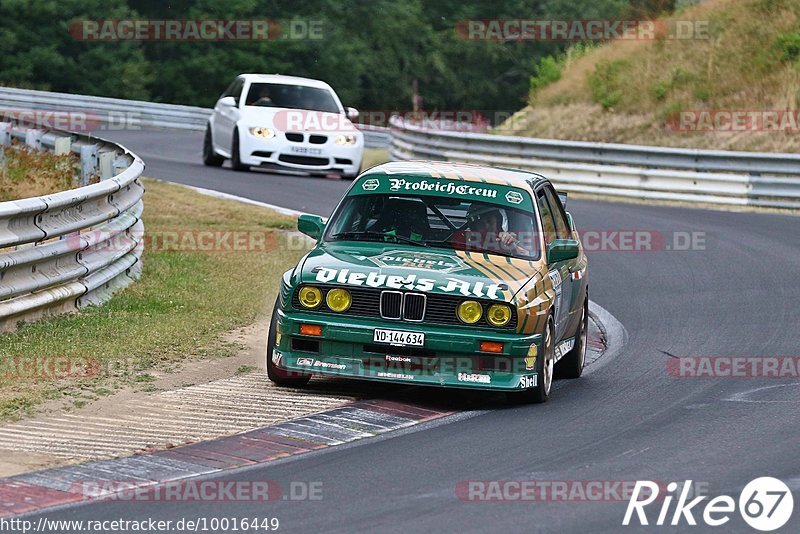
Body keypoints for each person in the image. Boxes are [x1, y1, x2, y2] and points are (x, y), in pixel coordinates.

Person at [453, 204, 529, 256]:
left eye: (489, 220)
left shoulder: (510, 240)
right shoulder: (467, 241)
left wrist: (514, 246)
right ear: (475, 227)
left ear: (499, 221)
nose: (486, 226)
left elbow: (527, 257)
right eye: (481, 224)